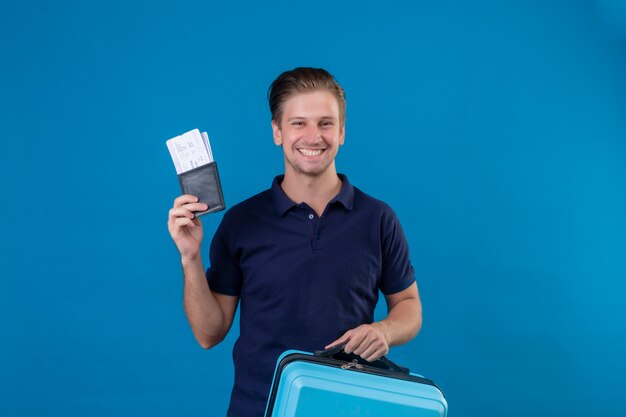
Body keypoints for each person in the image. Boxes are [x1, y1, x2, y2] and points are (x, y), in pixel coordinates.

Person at [167, 67, 422, 417]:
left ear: (342, 132)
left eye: (325, 123)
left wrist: (386, 330)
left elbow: (409, 305)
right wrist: (190, 257)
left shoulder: (378, 219)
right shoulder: (242, 222)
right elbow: (208, 333)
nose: (313, 136)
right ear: (277, 131)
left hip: (349, 407)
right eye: (299, 123)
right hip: (258, 409)